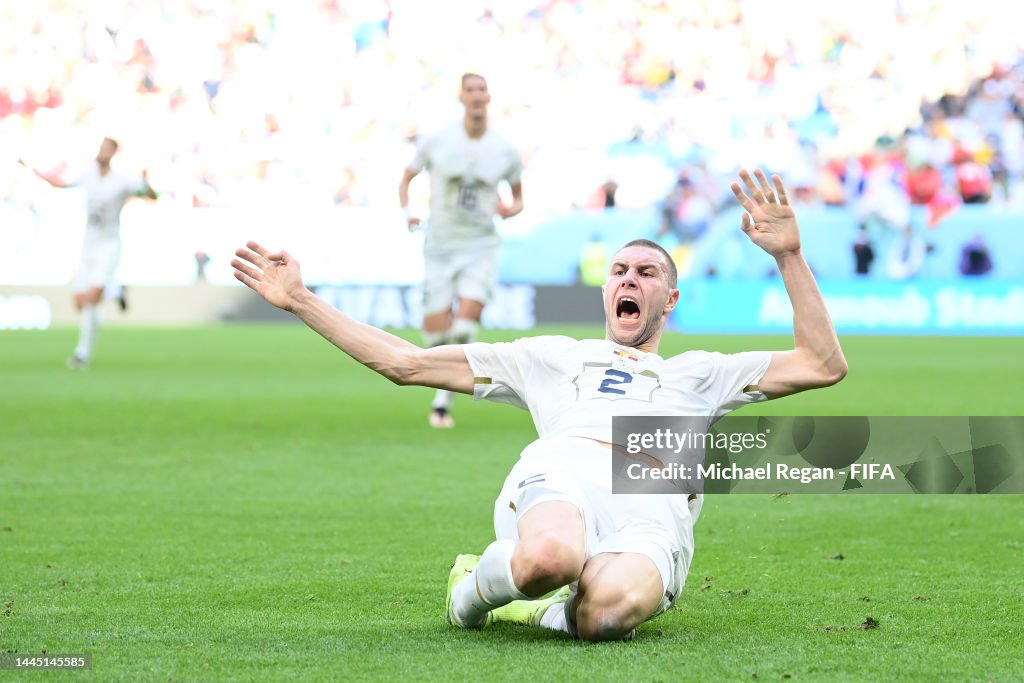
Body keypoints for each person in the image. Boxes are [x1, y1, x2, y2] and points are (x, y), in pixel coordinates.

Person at [231, 169, 847, 642]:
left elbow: (823, 364)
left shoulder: (703, 373)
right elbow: (407, 364)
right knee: (550, 556)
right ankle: (471, 595)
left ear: (671, 297)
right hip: (566, 473)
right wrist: (302, 301)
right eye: (620, 271)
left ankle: (547, 606)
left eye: (647, 274)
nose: (630, 280)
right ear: (607, 291)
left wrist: (789, 257)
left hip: (652, 510)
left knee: (603, 617)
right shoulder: (552, 356)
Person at [398, 72, 524, 428]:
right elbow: (406, 177)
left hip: (481, 245)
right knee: (435, 337)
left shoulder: (504, 149)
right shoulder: (437, 140)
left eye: (482, 89)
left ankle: (442, 403)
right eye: (470, 90)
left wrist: (508, 210)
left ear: (488, 96)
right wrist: (409, 212)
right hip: (440, 244)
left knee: (465, 327)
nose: (476, 95)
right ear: (462, 97)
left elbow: (518, 200)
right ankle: (444, 384)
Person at [21, 137, 157, 368]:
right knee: (81, 303)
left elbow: (151, 195)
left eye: (107, 148)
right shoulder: (88, 175)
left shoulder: (121, 181)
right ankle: (114, 291)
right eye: (101, 147)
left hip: (109, 244)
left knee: (92, 297)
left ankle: (82, 352)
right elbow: (60, 184)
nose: (102, 151)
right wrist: (31, 169)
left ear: (113, 153)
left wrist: (146, 181)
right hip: (88, 245)